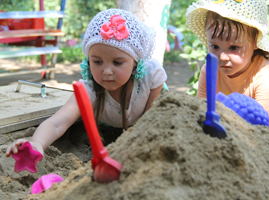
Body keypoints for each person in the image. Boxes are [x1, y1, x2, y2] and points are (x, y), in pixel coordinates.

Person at [6, 8, 167, 157]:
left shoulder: (151, 79)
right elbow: (56, 123)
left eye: (117, 63)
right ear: (88, 61)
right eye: (97, 62)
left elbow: (151, 124)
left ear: (135, 62)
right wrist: (36, 144)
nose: (107, 71)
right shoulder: (88, 90)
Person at [185, 0, 269, 129]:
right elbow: (202, 108)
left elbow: (261, 128)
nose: (222, 57)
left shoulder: (268, 76)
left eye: (234, 48)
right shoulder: (209, 71)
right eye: (214, 46)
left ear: (256, 40)